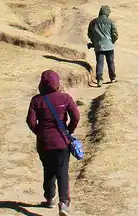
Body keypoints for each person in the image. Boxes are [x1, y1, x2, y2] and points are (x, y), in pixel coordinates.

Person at [26, 70, 80, 215]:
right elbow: (76, 116)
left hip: (44, 143)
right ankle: (64, 203)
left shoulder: (36, 100)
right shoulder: (66, 98)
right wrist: (69, 131)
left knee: (48, 170)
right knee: (62, 172)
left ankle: (50, 198)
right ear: (57, 83)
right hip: (62, 142)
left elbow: (30, 122)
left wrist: (40, 132)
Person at [87, 5, 118, 86]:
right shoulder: (110, 22)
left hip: (99, 46)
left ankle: (99, 80)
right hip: (109, 46)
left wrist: (94, 42)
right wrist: (112, 41)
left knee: (100, 63)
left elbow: (89, 34)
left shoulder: (93, 22)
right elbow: (115, 34)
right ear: (107, 13)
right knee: (110, 62)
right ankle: (113, 78)